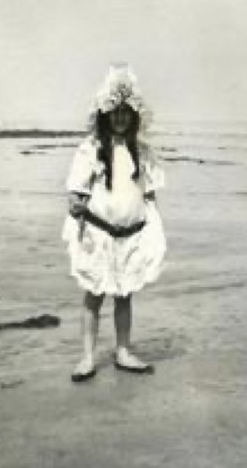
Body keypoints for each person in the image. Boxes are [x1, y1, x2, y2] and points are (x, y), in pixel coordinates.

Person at [62, 63, 166, 382]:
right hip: (98, 234)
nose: (120, 117)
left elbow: (148, 194)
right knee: (94, 294)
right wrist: (76, 203)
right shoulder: (92, 149)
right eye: (114, 111)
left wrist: (150, 226)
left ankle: (123, 350)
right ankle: (87, 357)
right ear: (105, 114)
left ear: (134, 116)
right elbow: (76, 191)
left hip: (130, 235)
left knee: (124, 296)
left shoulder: (142, 151)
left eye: (126, 112)